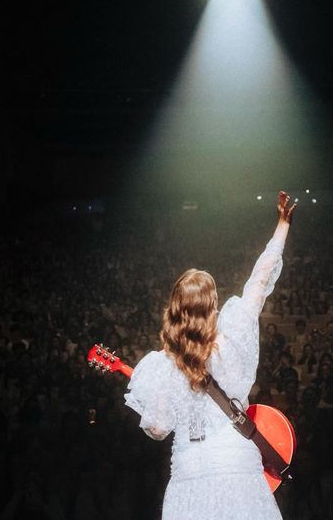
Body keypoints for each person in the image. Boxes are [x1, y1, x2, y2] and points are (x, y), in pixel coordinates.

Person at [124, 191, 296, 520]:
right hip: (237, 466)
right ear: (214, 305)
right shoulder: (232, 335)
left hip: (192, 473)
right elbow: (259, 280)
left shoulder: (164, 365)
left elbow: (158, 429)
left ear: (175, 309)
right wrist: (282, 226)